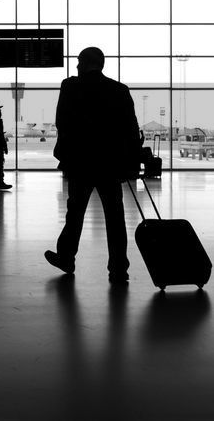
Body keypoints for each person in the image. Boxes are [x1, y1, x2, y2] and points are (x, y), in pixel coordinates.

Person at [44, 47, 141, 284]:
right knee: (115, 218)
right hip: (110, 164)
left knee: (75, 213)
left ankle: (66, 258)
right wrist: (130, 163)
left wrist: (67, 153)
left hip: (81, 163)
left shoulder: (70, 87)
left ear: (85, 63)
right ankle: (118, 268)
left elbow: (62, 122)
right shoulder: (119, 90)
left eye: (78, 62)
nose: (76, 66)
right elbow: (131, 130)